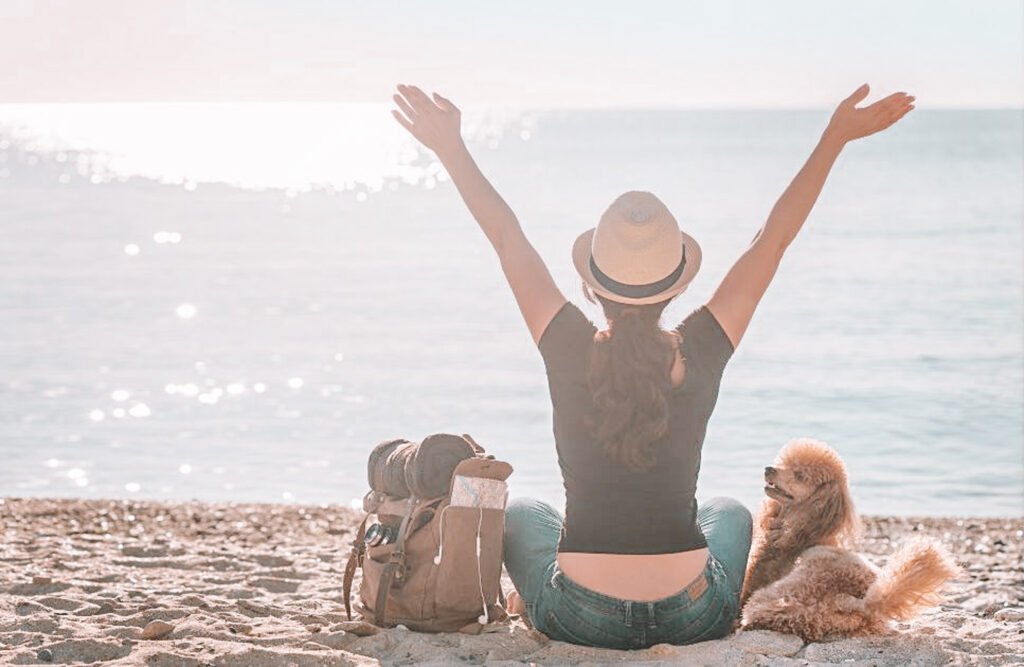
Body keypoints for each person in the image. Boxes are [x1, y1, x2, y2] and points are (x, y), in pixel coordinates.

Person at [390, 82, 914, 649]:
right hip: (693, 616)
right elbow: (773, 239)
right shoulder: (703, 347)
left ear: (592, 286)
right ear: (675, 284)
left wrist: (451, 149)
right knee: (730, 512)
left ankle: (532, 595)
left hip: (578, 616)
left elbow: (506, 235)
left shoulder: (566, 343)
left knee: (522, 511)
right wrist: (834, 138)